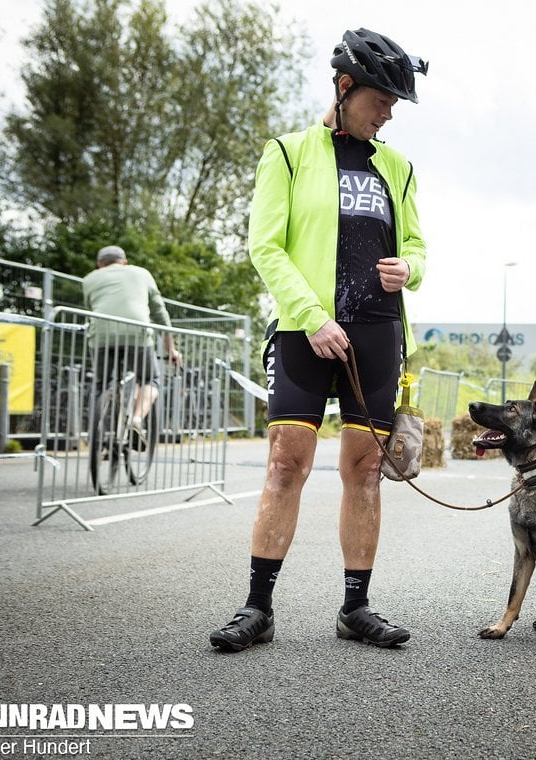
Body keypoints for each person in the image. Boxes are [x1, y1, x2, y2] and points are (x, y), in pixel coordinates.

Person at [210, 28, 428, 652]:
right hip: (308, 333)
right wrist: (310, 315)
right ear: (344, 86)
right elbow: (265, 247)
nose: (388, 114)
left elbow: (417, 245)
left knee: (364, 471)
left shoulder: (398, 167)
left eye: (394, 104)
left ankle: (355, 609)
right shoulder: (286, 154)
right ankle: (258, 609)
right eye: (381, 100)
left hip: (377, 334)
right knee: (286, 465)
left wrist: (409, 267)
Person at [81, 245, 182, 439]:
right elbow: (161, 317)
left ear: (99, 264)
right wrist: (171, 351)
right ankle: (136, 420)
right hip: (137, 335)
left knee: (100, 384)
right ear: (124, 262)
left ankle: (95, 432)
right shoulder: (141, 273)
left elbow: (89, 310)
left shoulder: (89, 279)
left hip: (101, 337)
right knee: (150, 379)